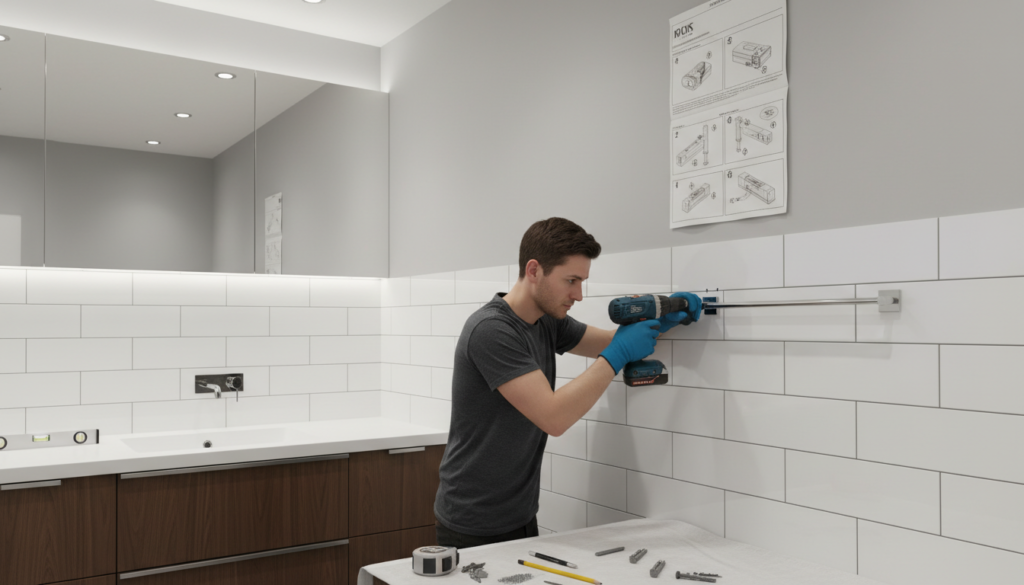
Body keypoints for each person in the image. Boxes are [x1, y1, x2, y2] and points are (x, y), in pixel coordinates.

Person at [433, 217, 702, 548]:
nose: (578, 294)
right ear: (534, 271)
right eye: (571, 280)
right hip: (471, 522)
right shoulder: (491, 330)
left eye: (582, 281)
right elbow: (554, 417)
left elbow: (609, 342)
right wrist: (618, 353)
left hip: (519, 515)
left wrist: (663, 320)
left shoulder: (546, 321)